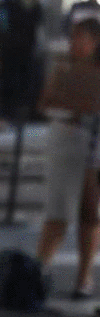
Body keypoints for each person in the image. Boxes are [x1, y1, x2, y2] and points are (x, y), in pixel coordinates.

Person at [36, 18, 100, 299]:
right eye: (73, 37)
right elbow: (45, 103)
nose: (75, 43)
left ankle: (84, 276)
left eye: (81, 38)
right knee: (59, 211)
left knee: (90, 212)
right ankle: (40, 270)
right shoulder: (63, 68)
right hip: (69, 142)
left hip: (94, 146)